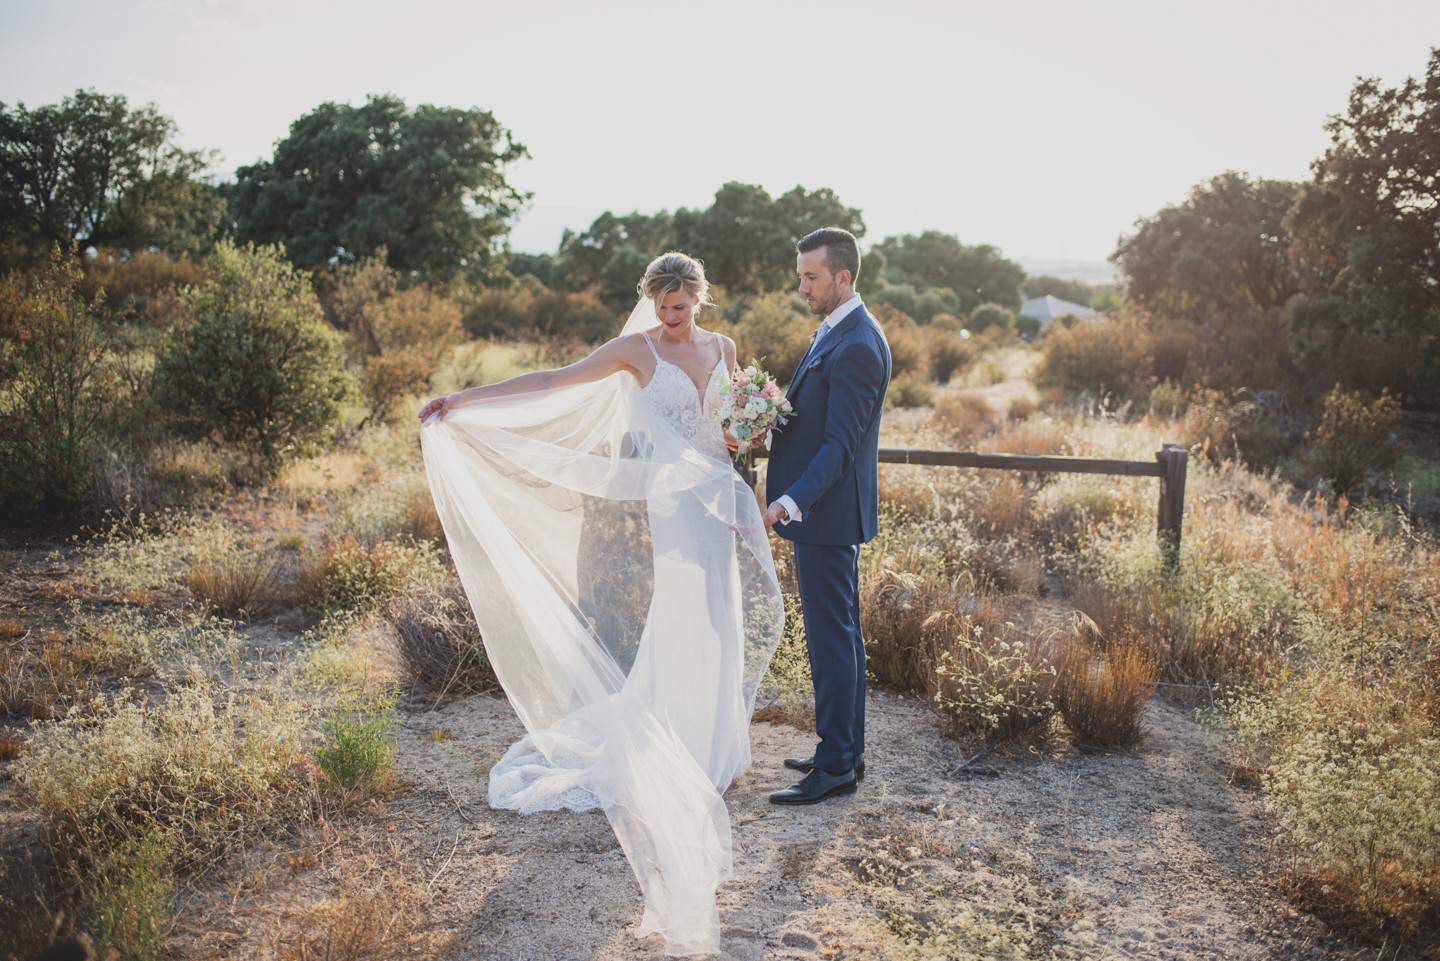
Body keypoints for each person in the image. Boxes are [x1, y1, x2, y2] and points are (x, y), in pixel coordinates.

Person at [418, 252, 784, 957]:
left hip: (721, 494)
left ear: (700, 299)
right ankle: (675, 744)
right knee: (684, 613)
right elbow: (553, 379)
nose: (671, 317)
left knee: (721, 616)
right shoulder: (635, 350)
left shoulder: (724, 347)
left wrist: (747, 435)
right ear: (650, 300)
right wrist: (464, 400)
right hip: (676, 505)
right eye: (662, 306)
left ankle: (717, 741)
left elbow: (733, 430)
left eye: (682, 306)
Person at [763, 227, 891, 805]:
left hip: (826, 515)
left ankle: (836, 765)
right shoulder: (839, 329)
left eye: (811, 277)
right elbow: (816, 421)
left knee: (831, 640)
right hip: (827, 515)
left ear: (843, 276)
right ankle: (846, 751)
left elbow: (841, 446)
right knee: (842, 637)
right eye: (800, 277)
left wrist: (791, 501)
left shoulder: (859, 342)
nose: (802, 288)